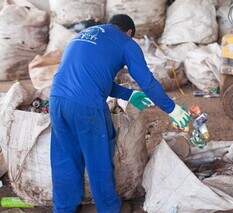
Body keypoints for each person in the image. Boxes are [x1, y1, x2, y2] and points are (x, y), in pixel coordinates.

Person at [49, 14, 191, 213]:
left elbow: (95, 78)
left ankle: (64, 209)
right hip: (87, 107)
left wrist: (130, 95)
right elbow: (147, 82)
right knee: (98, 159)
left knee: (65, 159)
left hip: (56, 100)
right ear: (130, 32)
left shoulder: (85, 34)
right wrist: (171, 108)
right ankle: (109, 209)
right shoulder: (126, 43)